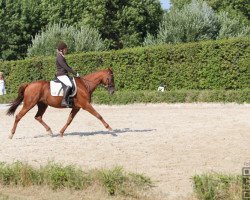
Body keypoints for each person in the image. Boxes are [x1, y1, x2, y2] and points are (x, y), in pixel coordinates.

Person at [56, 42, 79, 107]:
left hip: (64, 74)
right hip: (61, 75)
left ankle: (70, 99)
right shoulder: (59, 57)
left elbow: (68, 66)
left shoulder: (61, 56)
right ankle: (64, 101)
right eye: (65, 49)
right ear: (61, 50)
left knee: (73, 83)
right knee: (69, 85)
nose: (66, 50)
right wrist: (75, 73)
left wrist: (74, 72)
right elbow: (65, 67)